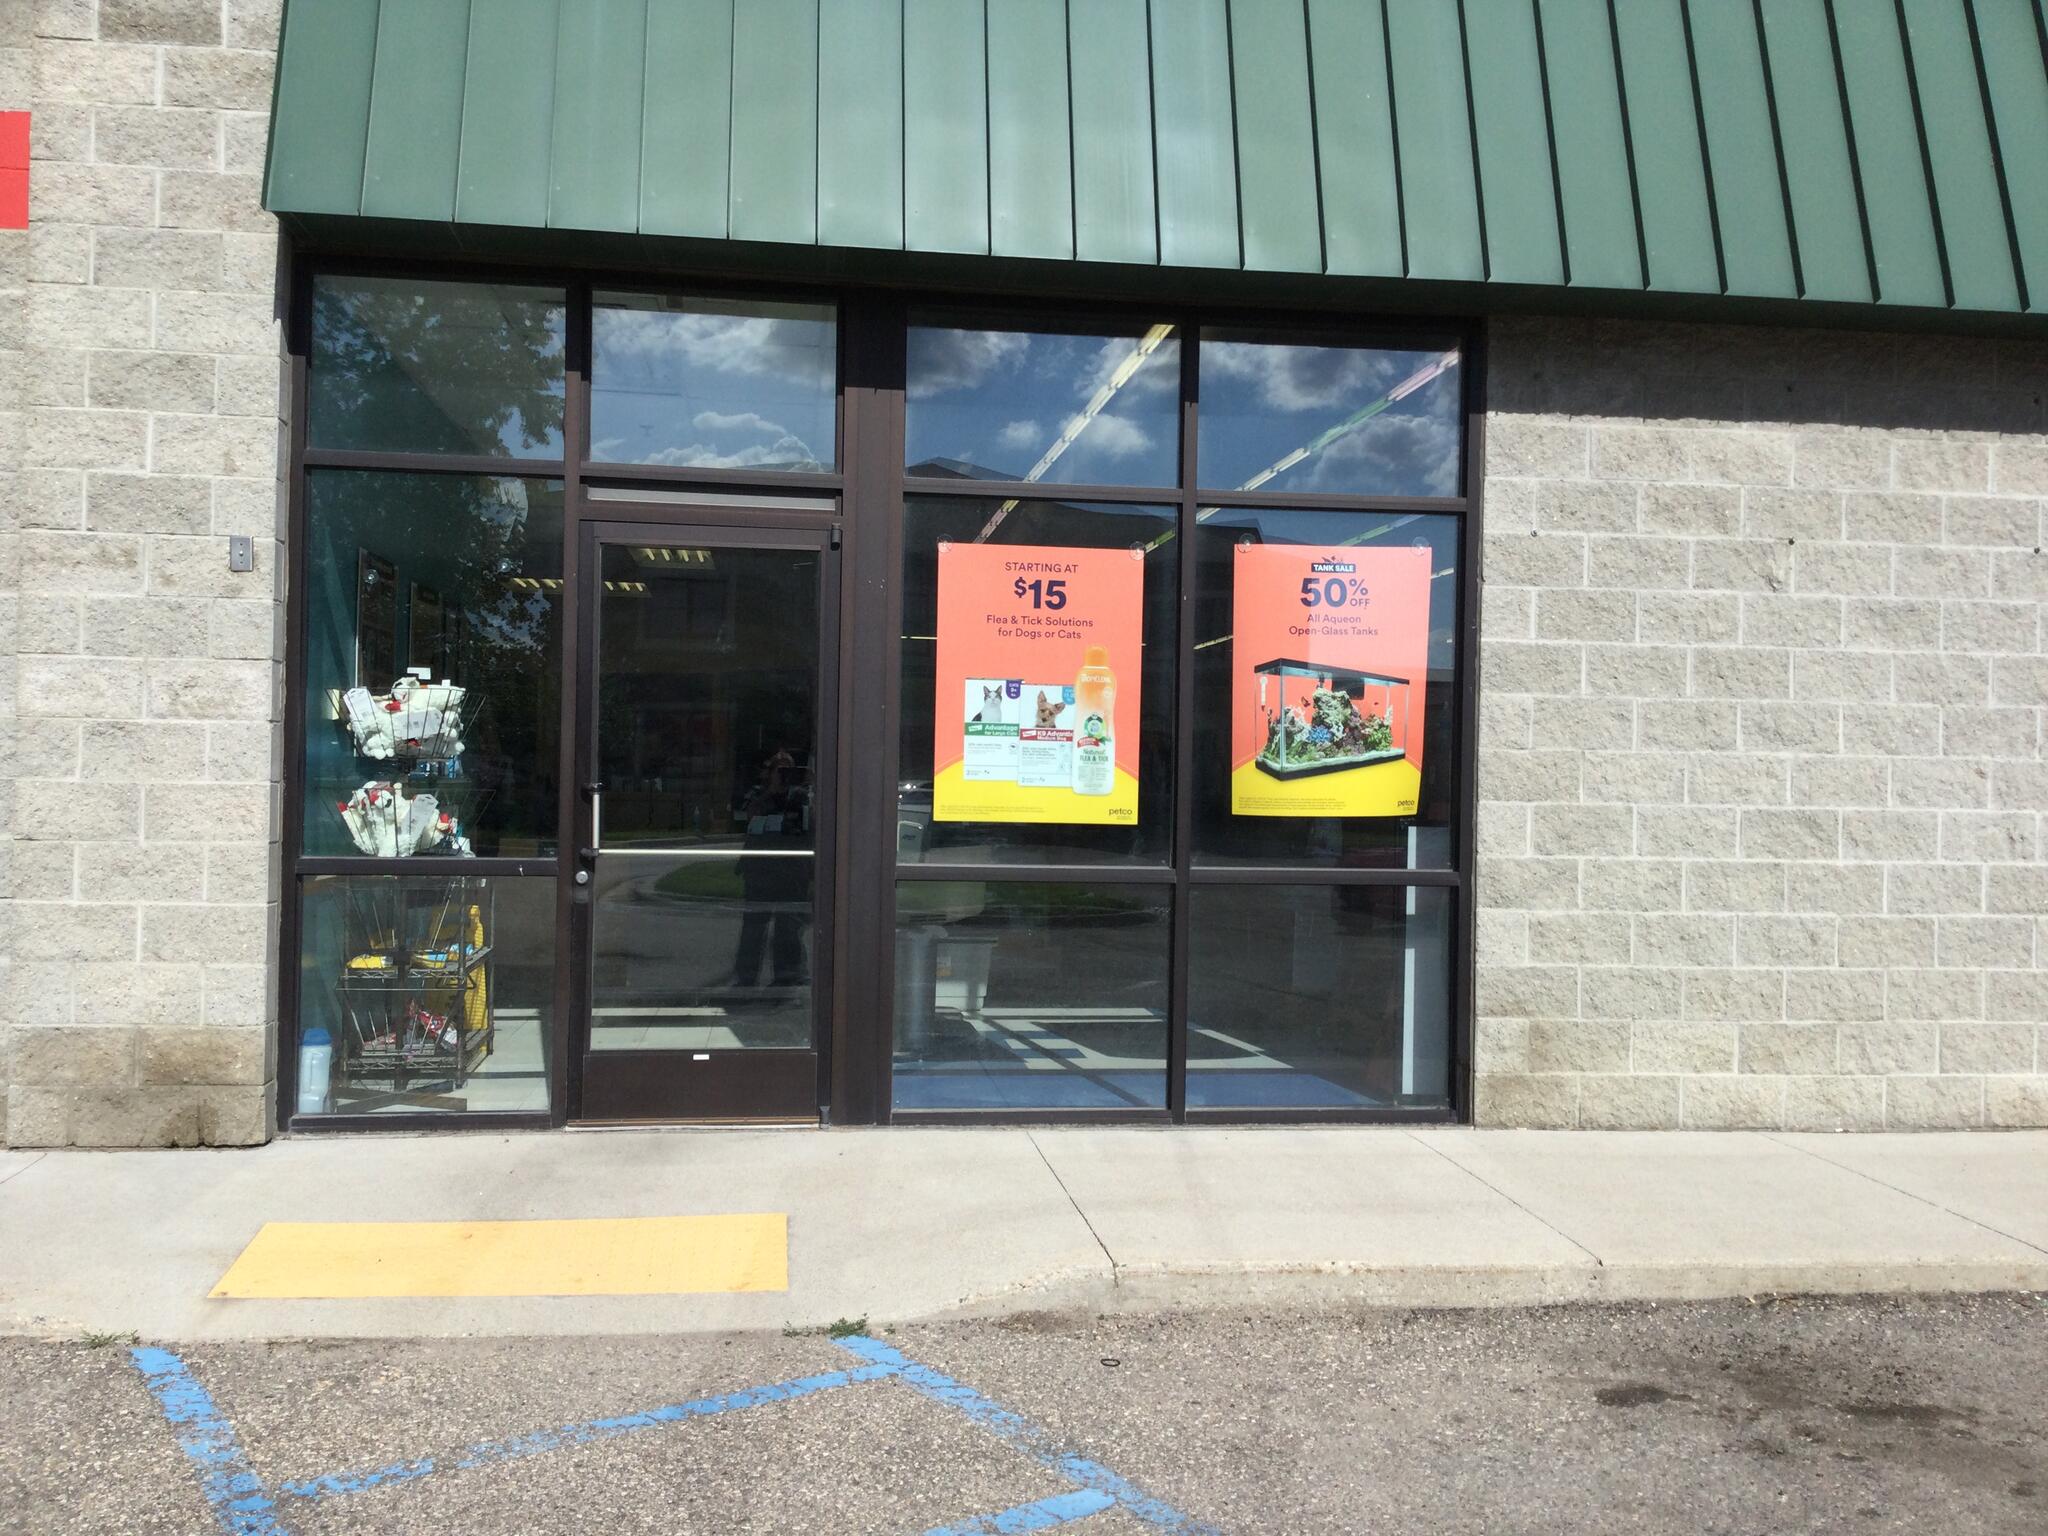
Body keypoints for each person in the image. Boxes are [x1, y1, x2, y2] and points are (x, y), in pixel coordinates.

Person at [731, 748, 807, 992]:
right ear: (770, 772)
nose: (784, 775)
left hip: (791, 869)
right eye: (779, 769)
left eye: (788, 770)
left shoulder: (800, 796)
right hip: (760, 869)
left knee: (788, 927)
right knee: (753, 926)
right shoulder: (757, 794)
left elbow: (809, 823)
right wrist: (771, 791)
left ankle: (786, 976)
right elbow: (747, 816)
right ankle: (746, 978)